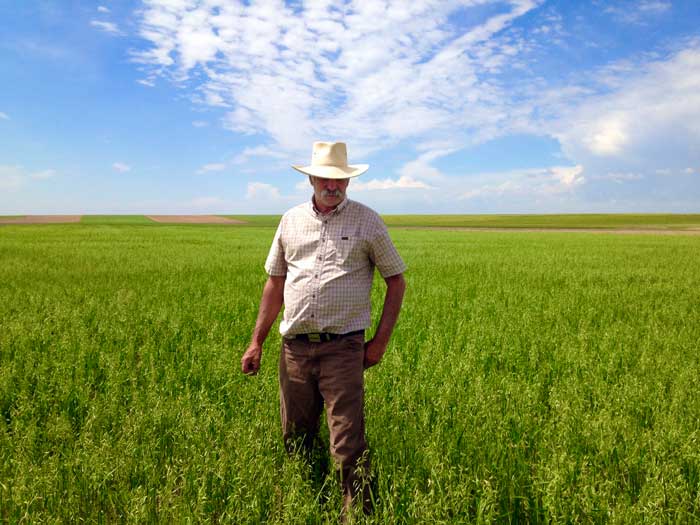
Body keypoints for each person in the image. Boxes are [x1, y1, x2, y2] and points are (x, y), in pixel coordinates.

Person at [241, 141, 406, 515]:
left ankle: (357, 514)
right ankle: (304, 502)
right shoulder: (290, 220)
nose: (333, 186)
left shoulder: (367, 221)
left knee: (348, 441)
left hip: (343, 349)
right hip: (295, 349)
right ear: (312, 179)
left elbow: (396, 280)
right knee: (295, 435)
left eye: (340, 180)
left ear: (348, 182)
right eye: (325, 179)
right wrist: (256, 342)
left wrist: (378, 343)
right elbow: (275, 283)